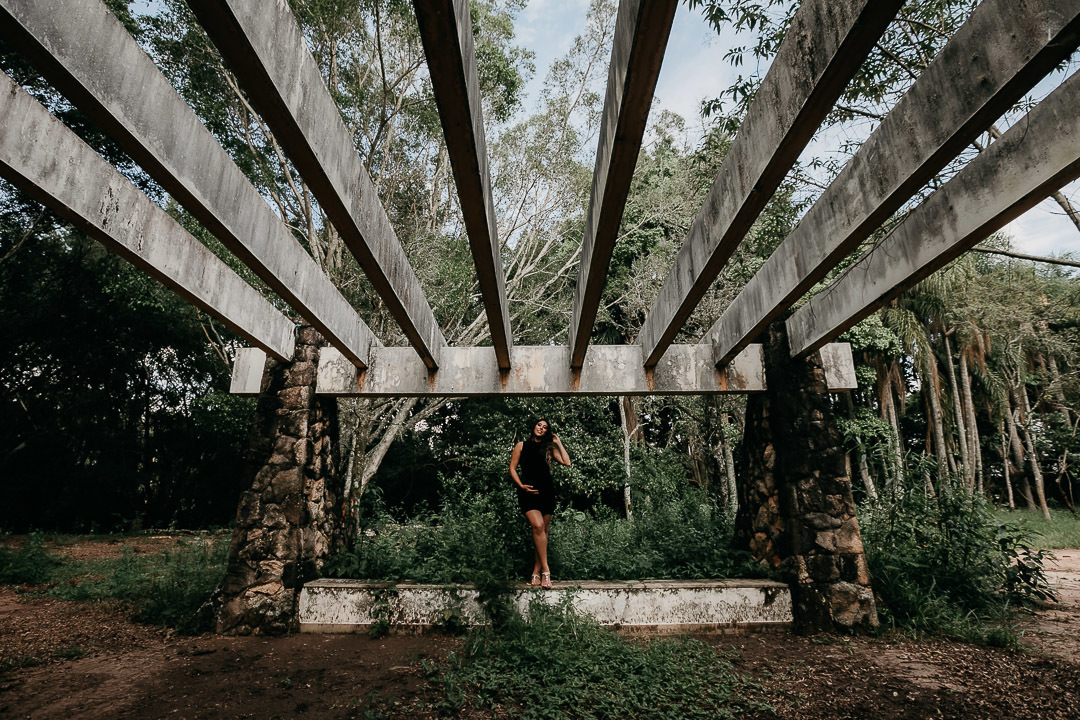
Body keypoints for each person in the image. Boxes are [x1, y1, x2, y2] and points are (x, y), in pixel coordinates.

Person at [509, 418, 570, 589]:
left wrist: (558, 442)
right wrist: (521, 485)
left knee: (542, 532)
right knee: (538, 526)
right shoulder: (521, 445)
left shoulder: (548, 448)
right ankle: (546, 571)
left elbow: (567, 462)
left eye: (545, 427)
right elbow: (512, 468)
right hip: (528, 492)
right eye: (539, 425)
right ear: (533, 426)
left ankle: (536, 572)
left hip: (547, 493)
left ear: (547, 432)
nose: (541, 428)